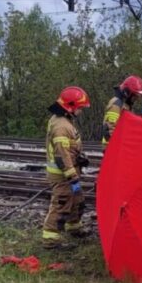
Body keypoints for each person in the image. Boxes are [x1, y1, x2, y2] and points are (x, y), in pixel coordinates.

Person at [42, 86, 90, 249]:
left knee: (77, 199)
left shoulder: (62, 120)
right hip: (63, 175)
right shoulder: (62, 126)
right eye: (80, 108)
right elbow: (62, 155)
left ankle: (74, 227)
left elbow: (68, 149)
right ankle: (51, 239)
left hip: (69, 172)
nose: (81, 111)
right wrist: (71, 174)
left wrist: (79, 158)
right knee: (61, 203)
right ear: (71, 106)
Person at [102, 75, 142, 146]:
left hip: (119, 146)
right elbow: (110, 129)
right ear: (128, 93)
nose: (136, 99)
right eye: (135, 96)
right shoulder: (116, 104)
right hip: (112, 147)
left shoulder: (125, 105)